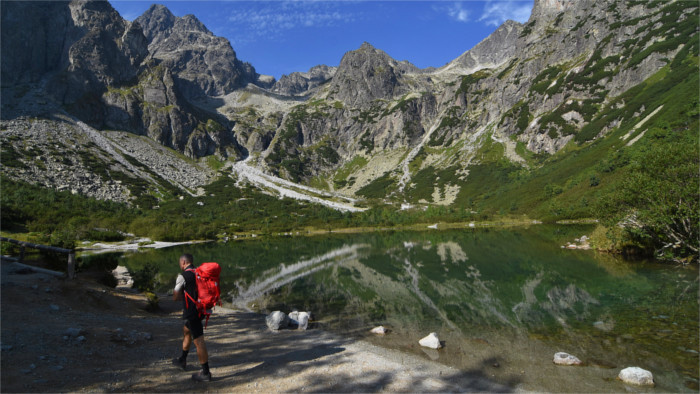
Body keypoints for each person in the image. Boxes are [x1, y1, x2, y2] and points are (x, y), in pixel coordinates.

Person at [171, 253, 212, 381]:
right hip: (202, 310)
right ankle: (183, 359)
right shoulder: (200, 272)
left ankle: (205, 373)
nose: (180, 265)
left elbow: (175, 296)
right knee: (186, 330)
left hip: (192, 312)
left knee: (199, 341)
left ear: (183, 262)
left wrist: (183, 297)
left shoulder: (183, 276)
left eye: (180, 263)